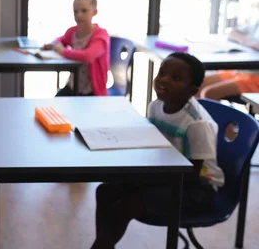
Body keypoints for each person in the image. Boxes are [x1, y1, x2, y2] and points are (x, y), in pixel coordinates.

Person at [91, 52, 224, 249]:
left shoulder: (197, 124)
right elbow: (151, 144)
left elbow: (193, 174)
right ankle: (104, 245)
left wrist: (147, 178)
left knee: (127, 206)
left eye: (176, 78)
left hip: (198, 187)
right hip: (166, 173)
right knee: (105, 190)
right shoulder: (156, 106)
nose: (163, 80)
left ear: (192, 90)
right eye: (162, 73)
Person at [41, 0, 110, 96]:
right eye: (75, 11)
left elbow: (88, 56)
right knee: (54, 105)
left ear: (94, 12)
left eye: (84, 11)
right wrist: (53, 45)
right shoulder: (72, 32)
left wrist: (63, 52)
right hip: (73, 86)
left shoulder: (101, 35)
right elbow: (61, 40)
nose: (79, 15)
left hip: (92, 91)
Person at [199, 21, 259, 100]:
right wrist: (246, 41)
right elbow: (232, 32)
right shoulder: (256, 23)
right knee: (198, 85)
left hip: (256, 77)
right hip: (243, 71)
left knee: (208, 93)